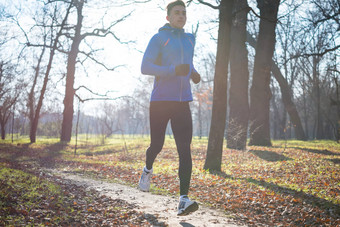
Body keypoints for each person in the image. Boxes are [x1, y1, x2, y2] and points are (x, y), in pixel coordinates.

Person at [138, 0, 201, 216]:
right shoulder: (158, 39)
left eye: (184, 13)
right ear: (168, 17)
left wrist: (193, 73)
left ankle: (183, 199)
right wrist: (174, 70)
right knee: (157, 144)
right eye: (177, 13)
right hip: (161, 101)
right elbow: (145, 67)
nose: (182, 16)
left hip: (183, 101)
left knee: (185, 149)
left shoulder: (190, 39)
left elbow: (187, 62)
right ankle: (147, 170)